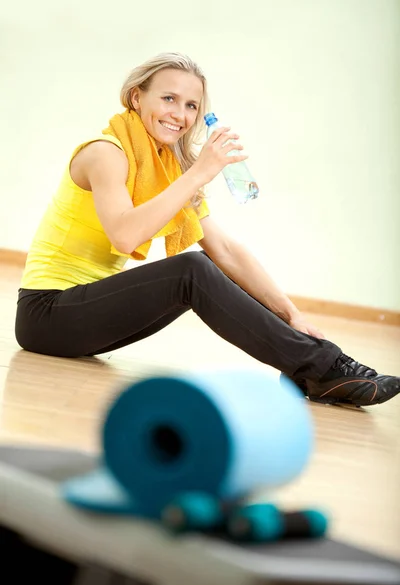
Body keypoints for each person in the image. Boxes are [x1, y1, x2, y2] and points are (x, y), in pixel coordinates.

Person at [15, 52, 399, 408]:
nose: (179, 114)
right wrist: (200, 172)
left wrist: (290, 313)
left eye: (191, 105)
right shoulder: (105, 153)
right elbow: (124, 235)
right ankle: (321, 370)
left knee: (201, 265)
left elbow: (225, 251)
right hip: (46, 315)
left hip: (83, 319)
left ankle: (312, 365)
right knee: (190, 271)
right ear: (136, 98)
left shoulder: (168, 169)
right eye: (168, 98)